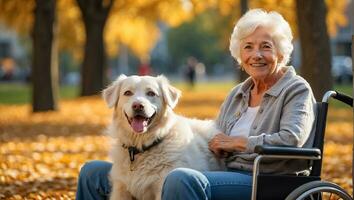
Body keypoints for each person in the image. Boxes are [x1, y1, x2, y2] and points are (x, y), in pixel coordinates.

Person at [75, 9, 316, 200]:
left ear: (281, 53)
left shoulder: (296, 89)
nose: (257, 54)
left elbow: (291, 139)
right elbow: (215, 137)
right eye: (248, 47)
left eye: (266, 46)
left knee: (179, 179)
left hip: (266, 178)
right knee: (91, 172)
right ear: (240, 55)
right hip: (225, 171)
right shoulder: (238, 93)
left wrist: (237, 143)